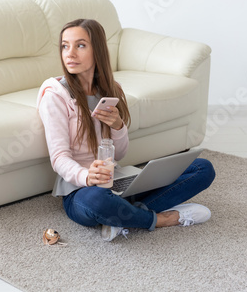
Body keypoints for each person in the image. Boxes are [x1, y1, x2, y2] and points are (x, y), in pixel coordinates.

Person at [37, 18, 215, 241]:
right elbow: (59, 158)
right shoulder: (55, 95)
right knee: (97, 202)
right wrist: (87, 176)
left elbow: (119, 155)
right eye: (65, 46)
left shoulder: (111, 90)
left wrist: (118, 126)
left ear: (98, 50)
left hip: (116, 180)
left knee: (202, 169)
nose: (70, 53)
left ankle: (120, 217)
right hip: (80, 190)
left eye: (80, 45)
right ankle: (161, 219)